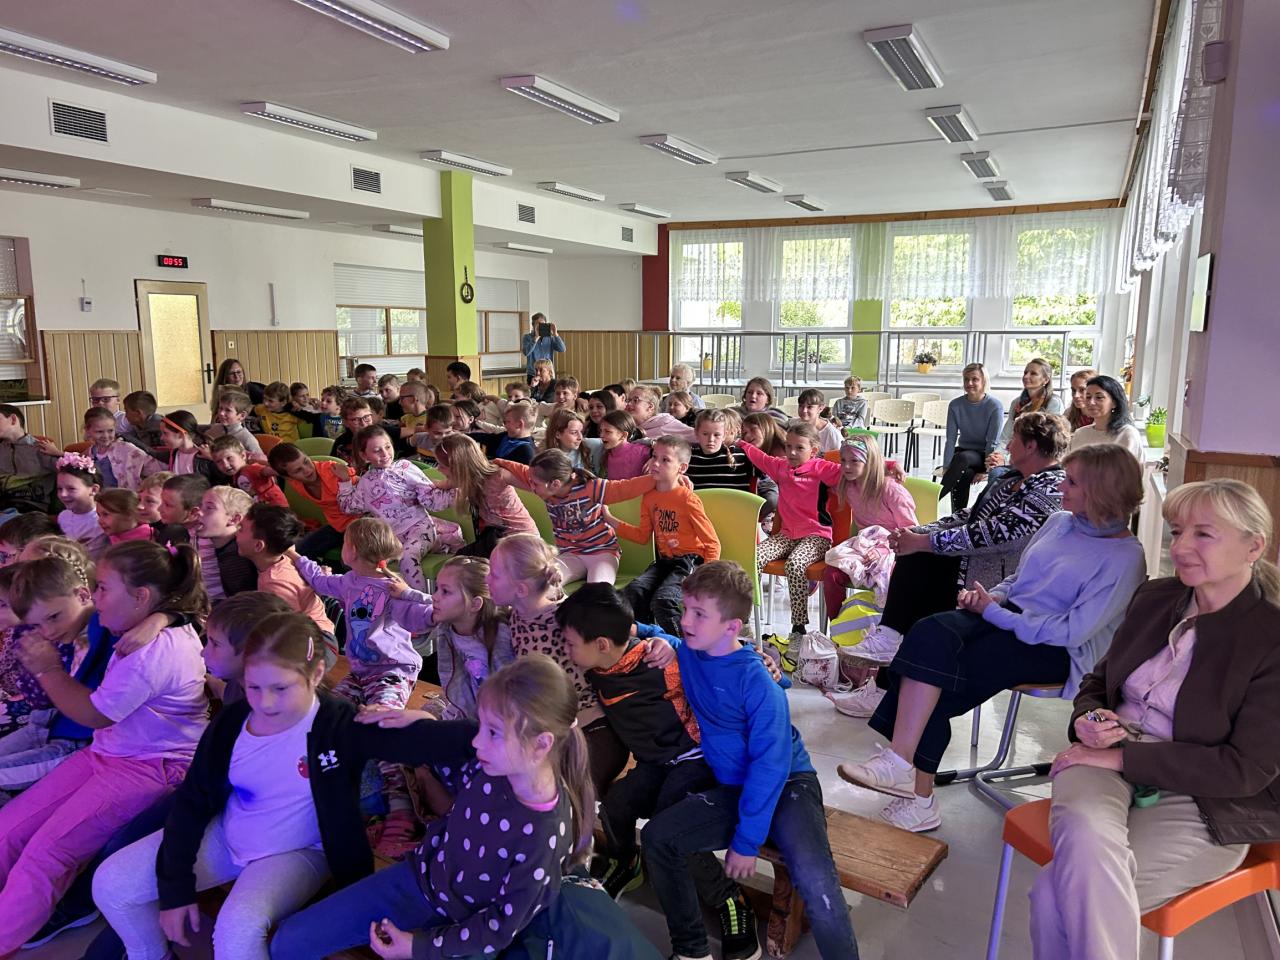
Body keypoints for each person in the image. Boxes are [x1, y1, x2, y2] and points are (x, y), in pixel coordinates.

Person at [1029, 479, 1280, 960]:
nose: (1180, 547)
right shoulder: (1156, 598)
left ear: (1254, 547)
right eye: (1178, 531)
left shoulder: (1270, 637)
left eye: (1203, 534)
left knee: (1051, 896)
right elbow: (1099, 681)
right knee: (1081, 848)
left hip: (1210, 800)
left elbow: (1246, 769)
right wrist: (1087, 719)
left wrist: (1124, 759)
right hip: (1102, 756)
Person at [838, 444, 1148, 832]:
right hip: (1008, 618)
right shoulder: (1060, 522)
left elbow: (1072, 632)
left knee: (938, 677)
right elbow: (1020, 578)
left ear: (1101, 492)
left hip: (1057, 649)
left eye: (1071, 482)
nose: (1060, 487)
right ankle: (902, 765)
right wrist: (992, 597)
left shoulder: (1125, 557)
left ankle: (917, 794)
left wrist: (994, 613)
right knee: (929, 633)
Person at [268, 654, 590, 959]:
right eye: (483, 727)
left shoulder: (544, 835)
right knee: (289, 941)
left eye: (492, 732)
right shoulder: (496, 762)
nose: (478, 741)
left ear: (542, 744)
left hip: (464, 931)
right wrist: (423, 723)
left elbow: (498, 928)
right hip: (421, 880)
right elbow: (455, 755)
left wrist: (418, 947)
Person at [643, 561, 859, 960]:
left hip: (789, 783)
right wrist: (646, 634)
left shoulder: (758, 681)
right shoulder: (690, 651)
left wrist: (746, 842)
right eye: (686, 608)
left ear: (732, 627)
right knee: (659, 837)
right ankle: (692, 950)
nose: (685, 620)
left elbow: (770, 765)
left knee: (817, 883)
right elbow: (662, 636)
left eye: (698, 613)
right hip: (734, 786)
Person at [0, 541, 208, 952]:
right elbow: (89, 610)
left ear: (141, 596)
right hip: (109, 754)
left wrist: (47, 668)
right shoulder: (132, 621)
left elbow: (94, 715)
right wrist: (166, 613)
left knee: (45, 856)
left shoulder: (154, 647)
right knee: (8, 828)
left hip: (153, 765)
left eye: (102, 587)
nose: (94, 598)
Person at [559, 584, 759, 959]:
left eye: (570, 643)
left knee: (668, 830)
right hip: (656, 762)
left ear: (601, 644)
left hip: (696, 758)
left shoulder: (658, 659)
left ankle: (729, 898)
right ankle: (625, 862)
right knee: (616, 804)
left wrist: (672, 645)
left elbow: (721, 658)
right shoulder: (598, 667)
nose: (565, 650)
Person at [847, 411, 1070, 676]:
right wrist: (916, 532)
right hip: (969, 566)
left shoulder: (1052, 487)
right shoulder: (1011, 479)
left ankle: (890, 656)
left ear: (1030, 446)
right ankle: (888, 656)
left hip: (998, 583)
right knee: (915, 570)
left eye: (1014, 439)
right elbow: (970, 516)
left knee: (920, 576)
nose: (1008, 445)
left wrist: (926, 541)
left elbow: (997, 534)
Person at [288, 517, 435, 857]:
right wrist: (295, 556)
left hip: (392, 671)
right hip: (360, 672)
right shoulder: (349, 581)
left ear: (352, 550)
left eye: (344, 542)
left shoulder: (391, 587)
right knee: (326, 716)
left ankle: (401, 809)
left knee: (381, 727)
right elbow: (320, 580)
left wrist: (411, 595)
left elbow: (427, 612)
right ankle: (332, 783)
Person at [487, 534, 632, 795]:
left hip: (594, 730)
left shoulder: (568, 619)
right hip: (553, 732)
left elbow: (624, 634)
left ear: (521, 590)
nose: (487, 580)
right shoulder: (516, 615)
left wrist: (661, 643)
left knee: (568, 794)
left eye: (494, 575)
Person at [740, 420, 843, 643]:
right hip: (786, 535)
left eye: (799, 448)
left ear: (813, 450)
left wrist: (891, 467)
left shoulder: (822, 468)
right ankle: (744, 619)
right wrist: (741, 443)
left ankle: (798, 627)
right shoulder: (781, 467)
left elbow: (856, 467)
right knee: (753, 558)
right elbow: (760, 457)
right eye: (788, 446)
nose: (792, 452)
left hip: (817, 536)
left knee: (795, 565)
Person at [608, 436, 720, 635]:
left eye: (665, 459)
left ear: (681, 468)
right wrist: (612, 521)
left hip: (689, 562)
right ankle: (647, 640)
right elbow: (643, 536)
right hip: (664, 562)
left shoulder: (687, 499)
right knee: (633, 592)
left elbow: (712, 543)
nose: (655, 463)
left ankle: (685, 645)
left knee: (663, 601)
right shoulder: (649, 497)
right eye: (654, 456)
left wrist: (708, 579)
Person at [497, 449, 659, 585]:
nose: (531, 486)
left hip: (602, 552)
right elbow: (521, 470)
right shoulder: (546, 489)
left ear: (555, 483)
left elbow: (626, 487)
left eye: (535, 484)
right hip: (570, 554)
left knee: (597, 590)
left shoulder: (591, 487)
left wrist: (661, 477)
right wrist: (495, 462)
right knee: (544, 581)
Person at [338, 425, 462, 590]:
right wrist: (345, 481)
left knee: (407, 559)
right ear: (364, 455)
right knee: (359, 559)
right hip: (392, 538)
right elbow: (348, 507)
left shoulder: (405, 467)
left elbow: (431, 500)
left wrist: (454, 490)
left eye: (387, 447)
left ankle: (420, 601)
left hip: (420, 527)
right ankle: (376, 599)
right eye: (377, 450)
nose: (385, 454)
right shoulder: (365, 482)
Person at [821, 436, 918, 621]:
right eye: (843, 460)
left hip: (895, 548)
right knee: (832, 574)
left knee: (894, 579)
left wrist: (883, 550)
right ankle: (838, 627)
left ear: (870, 462)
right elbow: (818, 467)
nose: (846, 466)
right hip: (865, 545)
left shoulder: (891, 490)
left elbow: (911, 531)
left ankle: (889, 628)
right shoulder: (848, 484)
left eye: (854, 461)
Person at [236, 503, 337, 661]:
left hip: (317, 644)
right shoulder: (282, 559)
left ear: (258, 546)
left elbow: (290, 627)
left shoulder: (275, 582)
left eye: (241, 529)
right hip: (310, 636)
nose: (235, 532)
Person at [425, 556, 513, 721]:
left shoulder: (500, 636)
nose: (434, 597)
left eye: (445, 591)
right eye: (437, 588)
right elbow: (458, 686)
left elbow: (512, 696)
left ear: (474, 604)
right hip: (466, 711)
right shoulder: (448, 629)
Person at [432, 433, 537, 557]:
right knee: (460, 560)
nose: (438, 469)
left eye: (442, 466)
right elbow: (444, 484)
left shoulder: (498, 475)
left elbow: (535, 483)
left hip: (522, 537)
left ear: (459, 467)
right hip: (497, 536)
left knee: (464, 562)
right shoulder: (463, 479)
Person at [266, 443, 358, 560]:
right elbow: (269, 470)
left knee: (352, 562)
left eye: (306, 461)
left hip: (360, 523)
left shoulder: (333, 471)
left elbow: (368, 489)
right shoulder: (293, 481)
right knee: (296, 554)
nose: (307, 470)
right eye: (298, 470)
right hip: (337, 527)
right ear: (288, 477)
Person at [938, 362, 1005, 514]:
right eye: (966, 379)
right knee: (965, 473)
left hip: (983, 456)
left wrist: (987, 470)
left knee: (963, 457)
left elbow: (992, 442)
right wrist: (947, 467)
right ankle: (957, 516)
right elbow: (950, 439)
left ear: (984, 381)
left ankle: (934, 497)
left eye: (975, 379)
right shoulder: (955, 405)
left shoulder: (995, 406)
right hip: (962, 456)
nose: (969, 383)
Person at [988, 358, 1063, 469]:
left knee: (997, 473)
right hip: (1013, 456)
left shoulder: (1053, 403)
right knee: (994, 468)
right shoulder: (1016, 403)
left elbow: (1047, 442)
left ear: (1046, 380)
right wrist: (996, 456)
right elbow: (1005, 437)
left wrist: (1006, 461)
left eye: (1033, 373)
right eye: (1025, 372)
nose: (1026, 376)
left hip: (1038, 460)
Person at [193, 485, 258, 603]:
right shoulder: (226, 549)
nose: (199, 512)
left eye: (209, 508)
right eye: (201, 506)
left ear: (234, 519)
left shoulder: (238, 559)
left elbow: (244, 605)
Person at [1068, 374, 1145, 462]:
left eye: (1099, 397)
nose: (1091, 402)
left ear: (1114, 402)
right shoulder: (1080, 434)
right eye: (1088, 397)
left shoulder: (1127, 434)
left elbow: (1130, 469)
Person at [83, 406, 161, 491]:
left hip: (125, 497)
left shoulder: (127, 449)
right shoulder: (87, 455)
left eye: (110, 431)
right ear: (87, 430)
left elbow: (156, 469)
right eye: (100, 432)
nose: (105, 436)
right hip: (99, 497)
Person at [0, 403, 60, 512]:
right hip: (3, 502)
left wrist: (59, 454)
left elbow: (77, 468)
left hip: (30, 505)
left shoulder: (41, 449)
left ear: (13, 419)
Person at [54, 453, 108, 557]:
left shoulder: (103, 519)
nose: (63, 494)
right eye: (59, 489)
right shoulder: (63, 516)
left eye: (71, 489)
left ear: (94, 490)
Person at [210, 435, 288, 507]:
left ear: (243, 456)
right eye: (219, 461)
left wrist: (283, 469)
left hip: (277, 509)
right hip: (260, 510)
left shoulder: (252, 469)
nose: (225, 465)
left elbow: (268, 471)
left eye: (229, 458)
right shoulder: (235, 476)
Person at [154, 411, 220, 481]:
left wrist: (213, 459)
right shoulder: (173, 454)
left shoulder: (204, 457)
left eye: (165, 433)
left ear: (181, 434)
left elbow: (222, 478)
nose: (161, 438)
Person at [205, 389, 266, 460]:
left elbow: (261, 461)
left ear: (242, 415)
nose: (221, 413)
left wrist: (211, 457)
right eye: (220, 408)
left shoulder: (246, 438)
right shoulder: (215, 429)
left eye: (228, 410)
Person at [543, 409, 605, 474]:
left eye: (581, 431)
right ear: (558, 434)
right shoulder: (546, 458)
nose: (580, 437)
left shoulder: (589, 445)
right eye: (574, 432)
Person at [627, 386, 696, 441]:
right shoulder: (628, 427)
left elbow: (698, 436)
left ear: (650, 407)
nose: (629, 404)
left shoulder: (666, 423)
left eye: (635, 400)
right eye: (628, 400)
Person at [597, 410, 652, 480]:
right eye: (600, 431)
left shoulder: (640, 451)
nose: (601, 435)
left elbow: (663, 451)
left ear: (623, 435)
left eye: (607, 431)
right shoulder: (605, 455)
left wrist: (654, 459)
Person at [522, 312, 566, 384]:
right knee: (533, 391)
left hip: (548, 374)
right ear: (533, 325)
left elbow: (562, 349)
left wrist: (555, 334)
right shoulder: (527, 337)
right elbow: (526, 352)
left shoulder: (550, 338)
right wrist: (536, 337)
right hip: (533, 373)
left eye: (543, 324)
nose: (540, 326)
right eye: (538, 324)